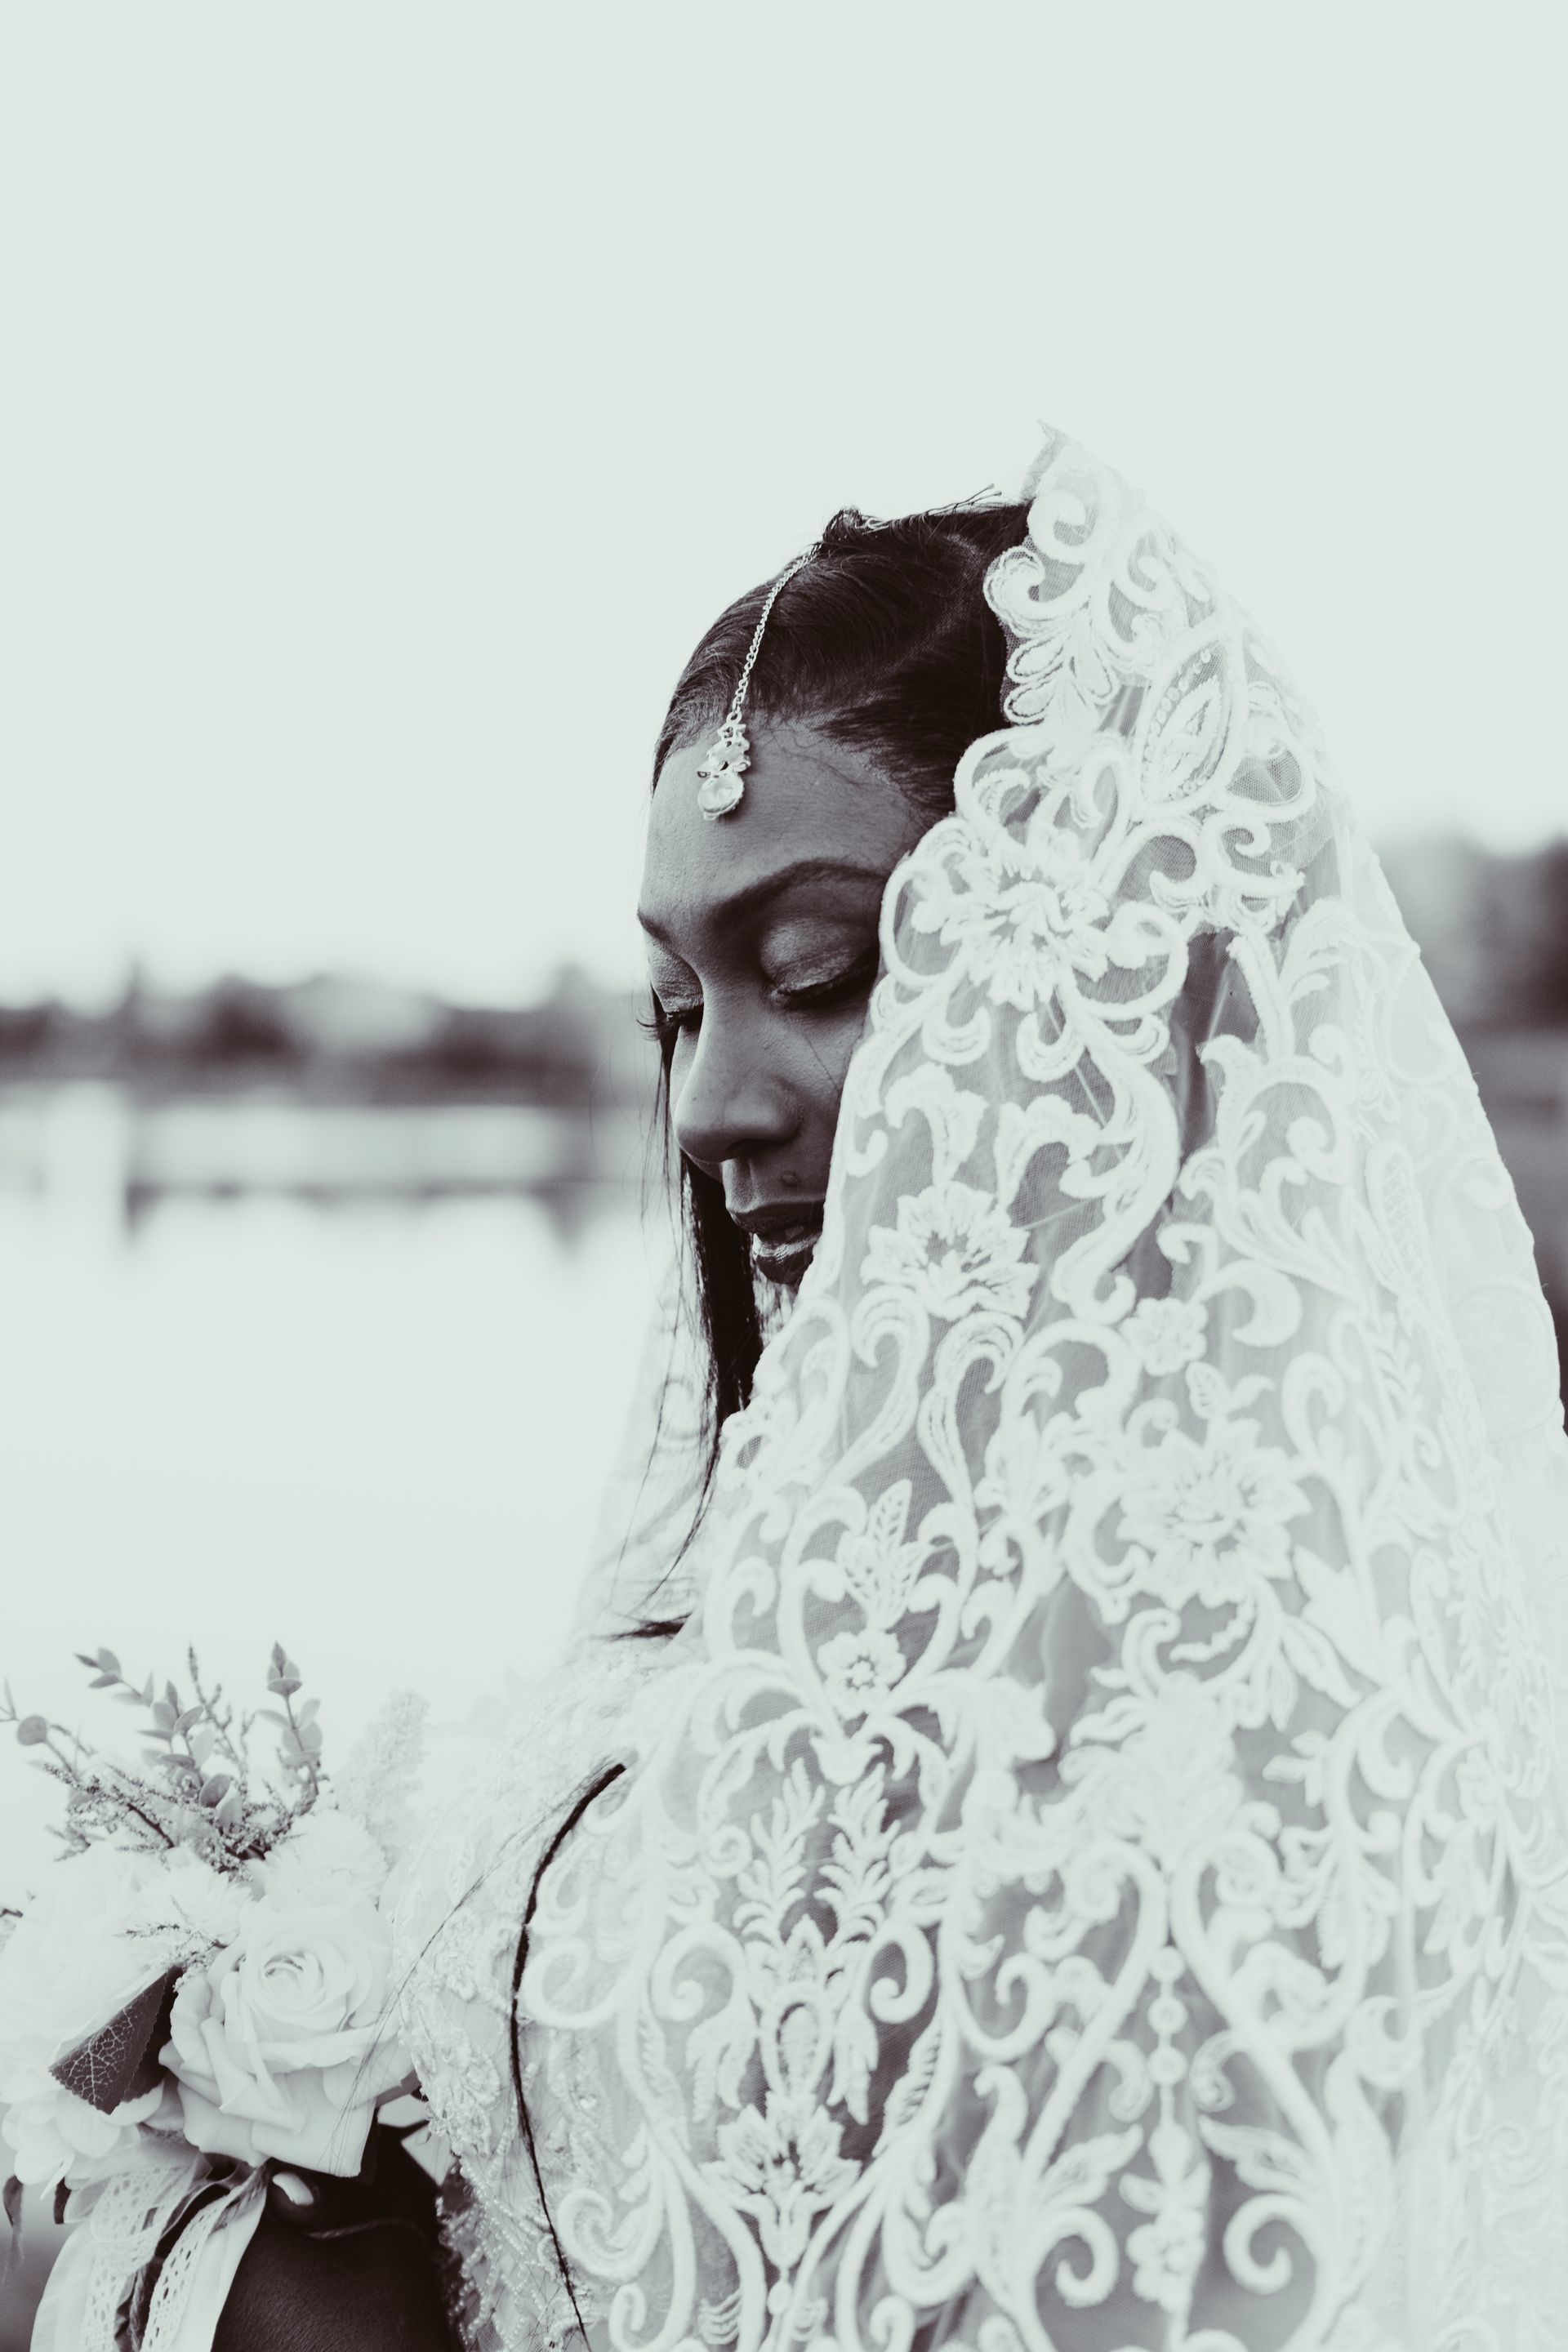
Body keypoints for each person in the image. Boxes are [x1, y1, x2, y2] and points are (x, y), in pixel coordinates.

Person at [191, 428, 1568, 2347]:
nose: (707, 1103)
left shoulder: (1231, 1736)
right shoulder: (792, 1603)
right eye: (677, 1006)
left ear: (1101, 989)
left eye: (824, 972)